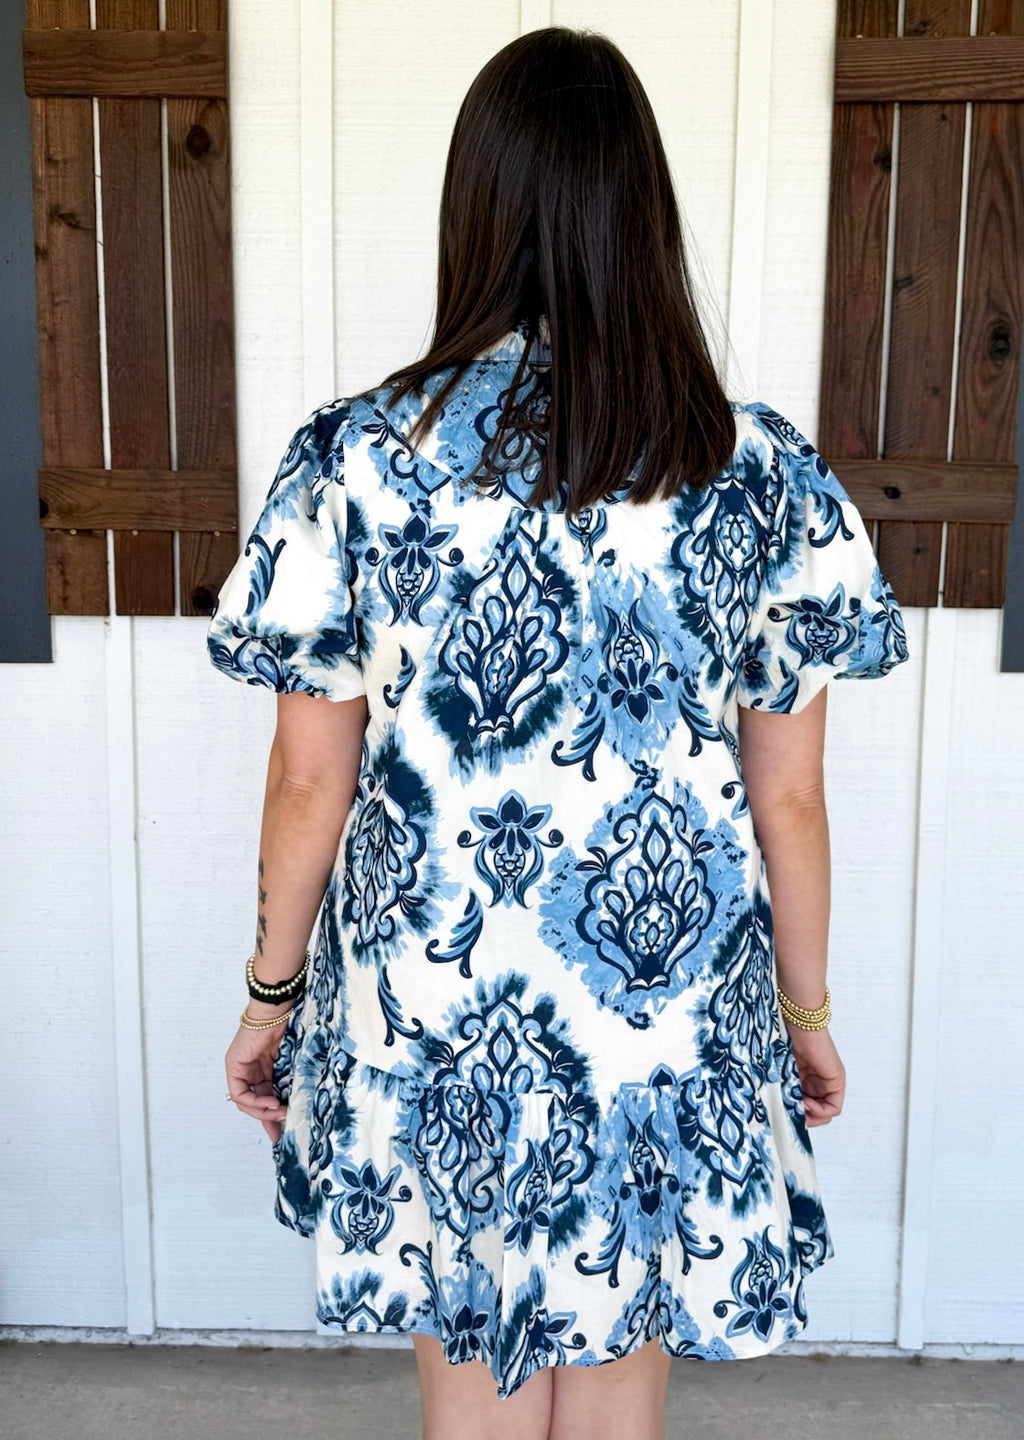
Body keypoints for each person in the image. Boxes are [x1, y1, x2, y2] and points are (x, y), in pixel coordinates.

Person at [207, 24, 910, 1440]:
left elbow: (306, 775)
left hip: (439, 1004)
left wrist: (271, 998)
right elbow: (789, 799)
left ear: (475, 210)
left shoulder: (357, 461)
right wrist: (805, 1015)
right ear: (644, 219)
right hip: (664, 1007)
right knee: (616, 1391)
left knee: (471, 1389)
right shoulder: (756, 471)